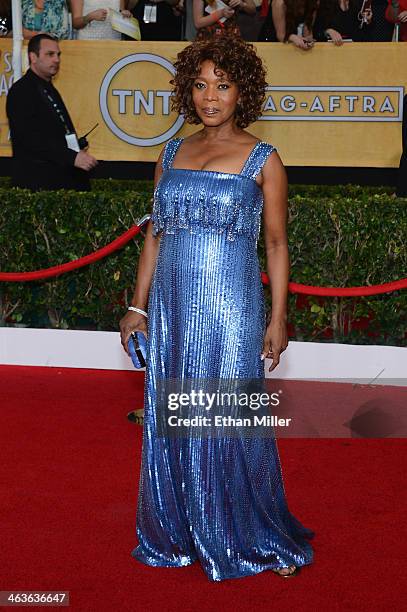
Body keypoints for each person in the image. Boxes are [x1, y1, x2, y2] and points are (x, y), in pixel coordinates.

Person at [119, 35, 314, 582]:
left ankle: (248, 531)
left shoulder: (263, 159)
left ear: (241, 93)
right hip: (174, 307)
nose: (210, 97)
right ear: (188, 89)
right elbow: (155, 235)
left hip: (231, 309)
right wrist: (138, 307)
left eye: (223, 86)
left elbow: (276, 244)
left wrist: (277, 318)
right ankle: (180, 526)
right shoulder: (171, 154)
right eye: (201, 85)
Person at [6, 33, 97, 191]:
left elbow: (54, 131)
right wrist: (72, 156)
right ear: (33, 57)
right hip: (37, 186)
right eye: (50, 54)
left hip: (57, 181)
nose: (56, 59)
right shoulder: (21, 91)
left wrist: (75, 148)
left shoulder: (47, 87)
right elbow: (29, 138)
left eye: (58, 55)